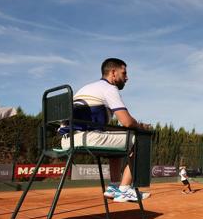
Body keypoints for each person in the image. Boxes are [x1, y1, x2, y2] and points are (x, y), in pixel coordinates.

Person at [60, 58, 149, 203]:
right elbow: (126, 121)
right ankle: (124, 190)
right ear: (113, 73)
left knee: (121, 138)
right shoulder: (108, 88)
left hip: (67, 139)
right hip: (84, 137)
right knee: (139, 140)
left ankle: (114, 187)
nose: (127, 77)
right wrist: (140, 126)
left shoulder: (88, 87)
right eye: (124, 73)